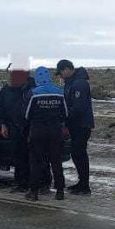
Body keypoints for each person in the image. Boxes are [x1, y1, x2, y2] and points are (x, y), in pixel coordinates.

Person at [24, 66, 67, 201]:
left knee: (36, 162)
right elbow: (65, 113)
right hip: (55, 131)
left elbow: (26, 114)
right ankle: (60, 192)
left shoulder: (34, 93)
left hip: (38, 131)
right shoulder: (59, 92)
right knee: (56, 162)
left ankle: (34, 192)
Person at [56, 59, 94, 195]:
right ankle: (81, 182)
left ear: (67, 69)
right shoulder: (70, 83)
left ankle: (84, 185)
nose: (60, 76)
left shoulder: (79, 83)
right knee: (76, 153)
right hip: (74, 124)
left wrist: (65, 116)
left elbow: (79, 107)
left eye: (61, 72)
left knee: (80, 153)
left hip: (81, 124)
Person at [0, 70, 33, 193]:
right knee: (18, 156)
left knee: (33, 157)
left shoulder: (30, 88)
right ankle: (21, 183)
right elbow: (1, 108)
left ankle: (35, 183)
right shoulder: (5, 91)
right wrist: (3, 125)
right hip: (14, 127)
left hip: (30, 127)